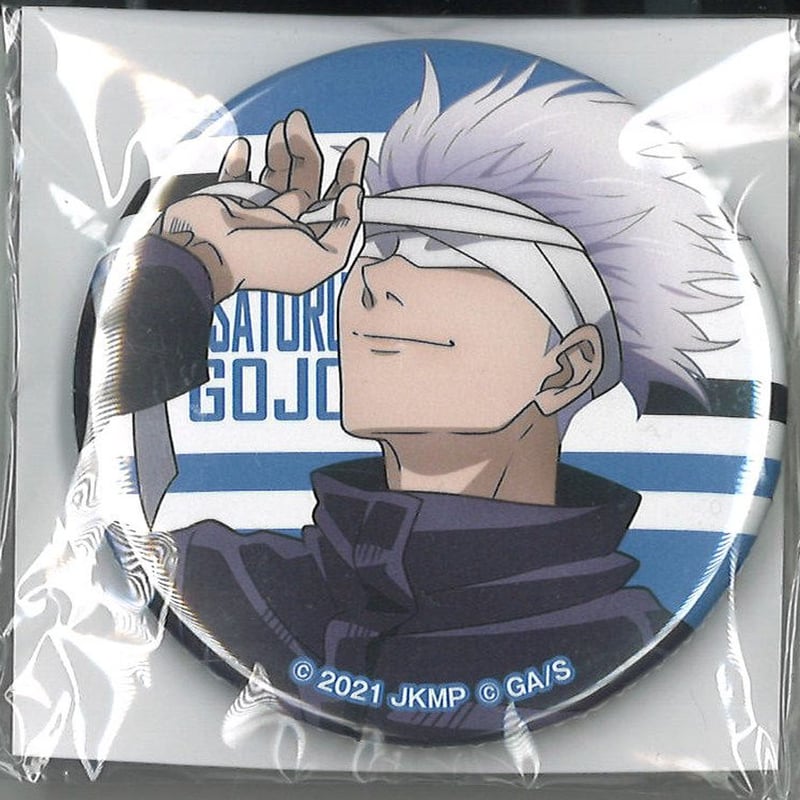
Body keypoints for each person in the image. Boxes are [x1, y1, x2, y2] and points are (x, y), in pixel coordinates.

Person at [85, 61, 742, 743]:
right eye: (376, 247)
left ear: (567, 367)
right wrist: (192, 264)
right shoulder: (226, 583)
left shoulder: (619, 638)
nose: (375, 281)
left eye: (451, 251)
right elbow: (89, 491)